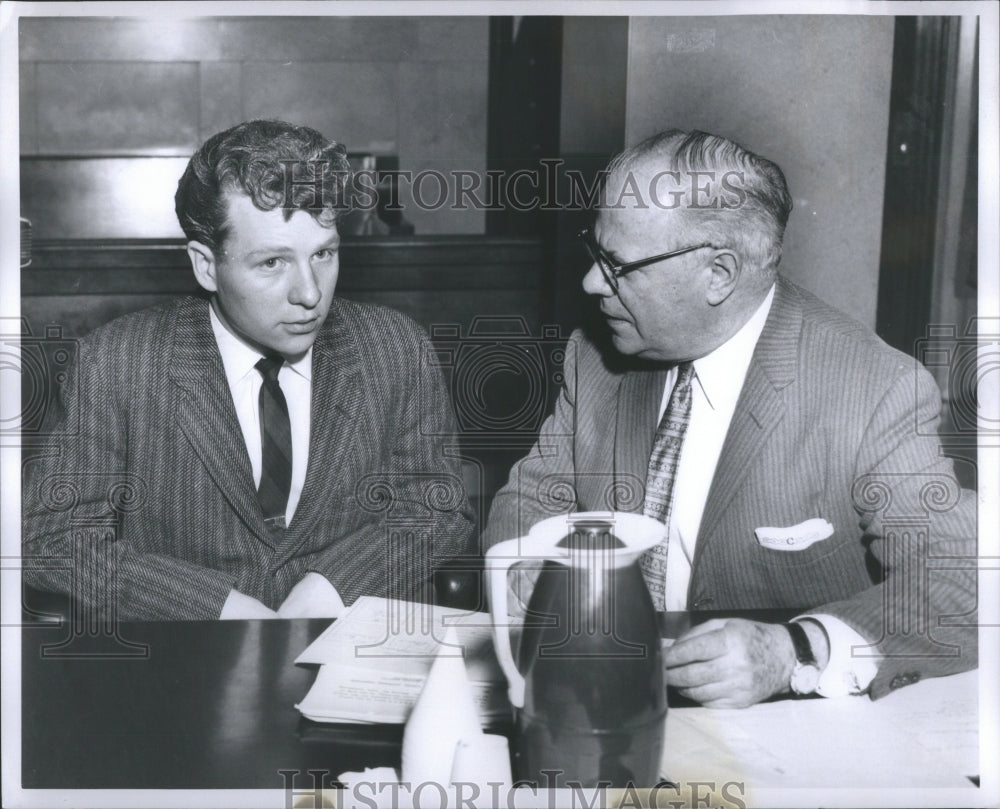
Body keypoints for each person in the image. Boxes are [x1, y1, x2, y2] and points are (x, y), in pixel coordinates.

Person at [483, 129, 977, 707]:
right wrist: (529, 581)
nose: (591, 283)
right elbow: (532, 501)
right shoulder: (594, 354)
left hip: (779, 735)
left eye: (616, 265)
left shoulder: (873, 391)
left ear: (718, 274)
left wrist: (796, 650)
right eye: (594, 251)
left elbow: (964, 580)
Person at [22, 119, 473, 620]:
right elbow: (55, 540)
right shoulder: (116, 364)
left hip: (348, 651)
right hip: (187, 667)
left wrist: (330, 587)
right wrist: (216, 607)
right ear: (206, 266)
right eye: (272, 263)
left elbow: (438, 508)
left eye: (323, 254)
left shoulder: (395, 347)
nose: (310, 293)